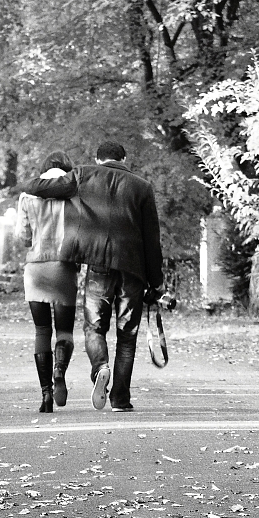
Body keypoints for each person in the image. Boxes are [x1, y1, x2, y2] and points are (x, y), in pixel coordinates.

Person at [15, 140, 162, 412]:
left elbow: (46, 188)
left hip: (98, 266)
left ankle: (100, 366)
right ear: (124, 158)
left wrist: (23, 185)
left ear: (97, 159)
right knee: (127, 336)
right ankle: (120, 399)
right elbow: (152, 239)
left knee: (94, 327)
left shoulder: (85, 176)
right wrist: (157, 282)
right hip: (133, 270)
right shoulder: (142, 187)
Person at [14, 151, 81, 413]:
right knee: (64, 332)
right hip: (64, 268)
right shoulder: (75, 196)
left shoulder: (28, 197)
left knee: (41, 331)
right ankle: (59, 372)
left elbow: (22, 236)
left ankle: (45, 395)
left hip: (36, 270)